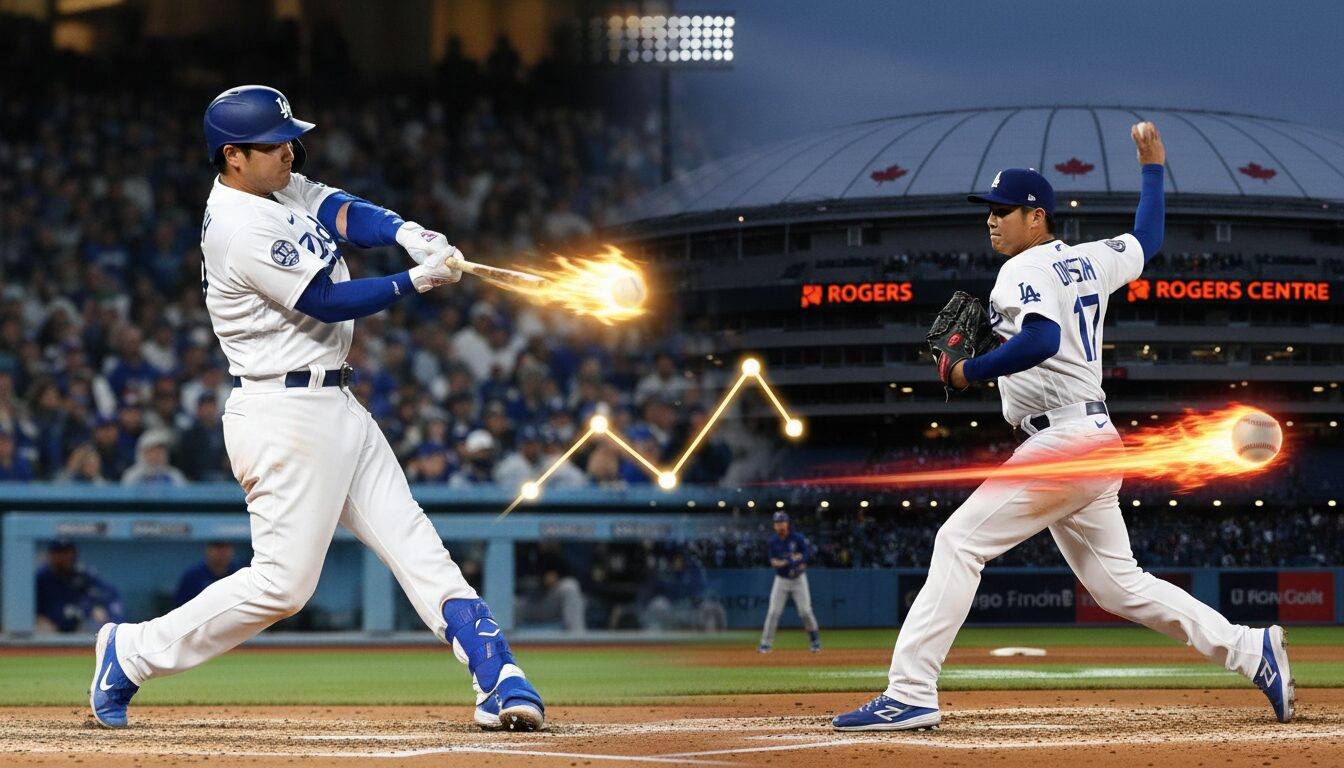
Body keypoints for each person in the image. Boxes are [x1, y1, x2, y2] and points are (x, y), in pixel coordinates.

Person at [90, 85, 544, 733]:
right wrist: (415, 279)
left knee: (416, 545)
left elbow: (337, 207)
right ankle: (130, 652)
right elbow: (323, 302)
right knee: (283, 586)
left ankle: (497, 673)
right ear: (232, 156)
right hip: (282, 413)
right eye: (273, 145)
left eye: (289, 139)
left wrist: (405, 233)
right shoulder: (240, 226)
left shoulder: (273, 184)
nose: (289, 152)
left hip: (336, 403)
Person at [832, 123, 1293, 731]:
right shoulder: (1089, 259)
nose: (991, 220)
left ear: (1035, 216)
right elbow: (1148, 238)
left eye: (1003, 211)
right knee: (1118, 587)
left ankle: (910, 690)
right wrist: (1153, 169)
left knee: (958, 544)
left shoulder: (1019, 272)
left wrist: (970, 370)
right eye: (988, 212)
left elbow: (1042, 338)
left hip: (1064, 443)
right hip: (1095, 441)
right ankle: (1248, 648)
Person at [757, 511, 820, 653]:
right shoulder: (773, 541)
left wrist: (800, 560)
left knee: (805, 611)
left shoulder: (797, 538)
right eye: (777, 523)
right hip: (782, 580)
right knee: (773, 612)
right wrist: (789, 561)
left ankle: (814, 640)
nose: (780, 526)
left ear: (788, 523)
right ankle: (766, 643)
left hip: (798, 579)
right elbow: (774, 562)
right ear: (774, 526)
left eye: (782, 522)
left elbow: (808, 554)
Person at [36, 539, 125, 633]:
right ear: (51, 555)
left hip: (77, 627)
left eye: (66, 552)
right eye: (58, 552)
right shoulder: (41, 578)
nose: (63, 557)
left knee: (97, 618)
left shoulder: (82, 575)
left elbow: (109, 594)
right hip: (50, 627)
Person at [174, 541, 243, 607]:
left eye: (226, 547)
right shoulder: (192, 576)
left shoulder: (240, 574)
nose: (222, 552)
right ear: (208, 550)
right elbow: (180, 606)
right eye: (218, 547)